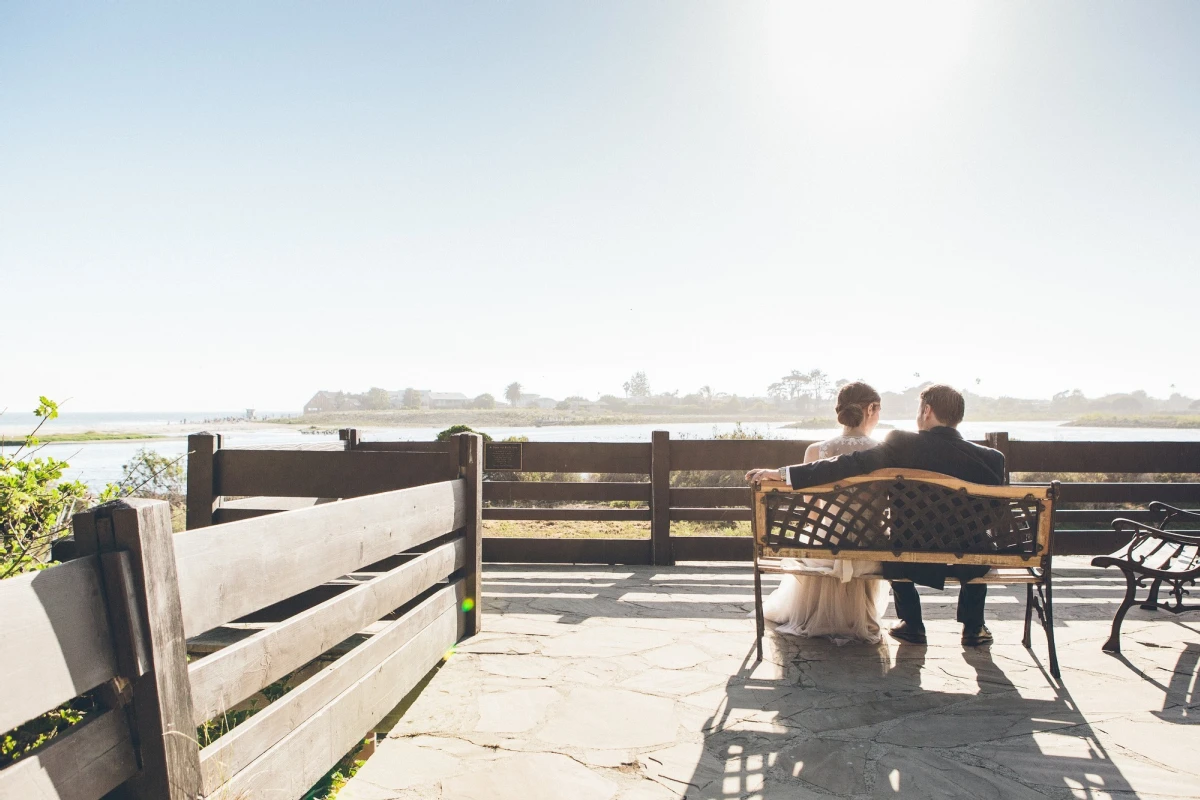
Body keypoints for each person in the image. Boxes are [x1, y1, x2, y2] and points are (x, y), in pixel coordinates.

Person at [746, 384, 1005, 647]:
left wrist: (784, 474)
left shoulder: (904, 444)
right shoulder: (992, 458)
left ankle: (912, 623)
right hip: (970, 557)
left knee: (894, 542)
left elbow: (849, 464)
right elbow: (996, 515)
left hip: (908, 553)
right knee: (980, 541)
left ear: (927, 411)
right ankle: (974, 627)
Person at [756, 382, 890, 644]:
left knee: (816, 536)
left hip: (825, 546)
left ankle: (818, 613)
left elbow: (812, 509)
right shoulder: (884, 451)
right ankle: (857, 617)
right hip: (870, 547)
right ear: (871, 409)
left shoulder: (817, 451)